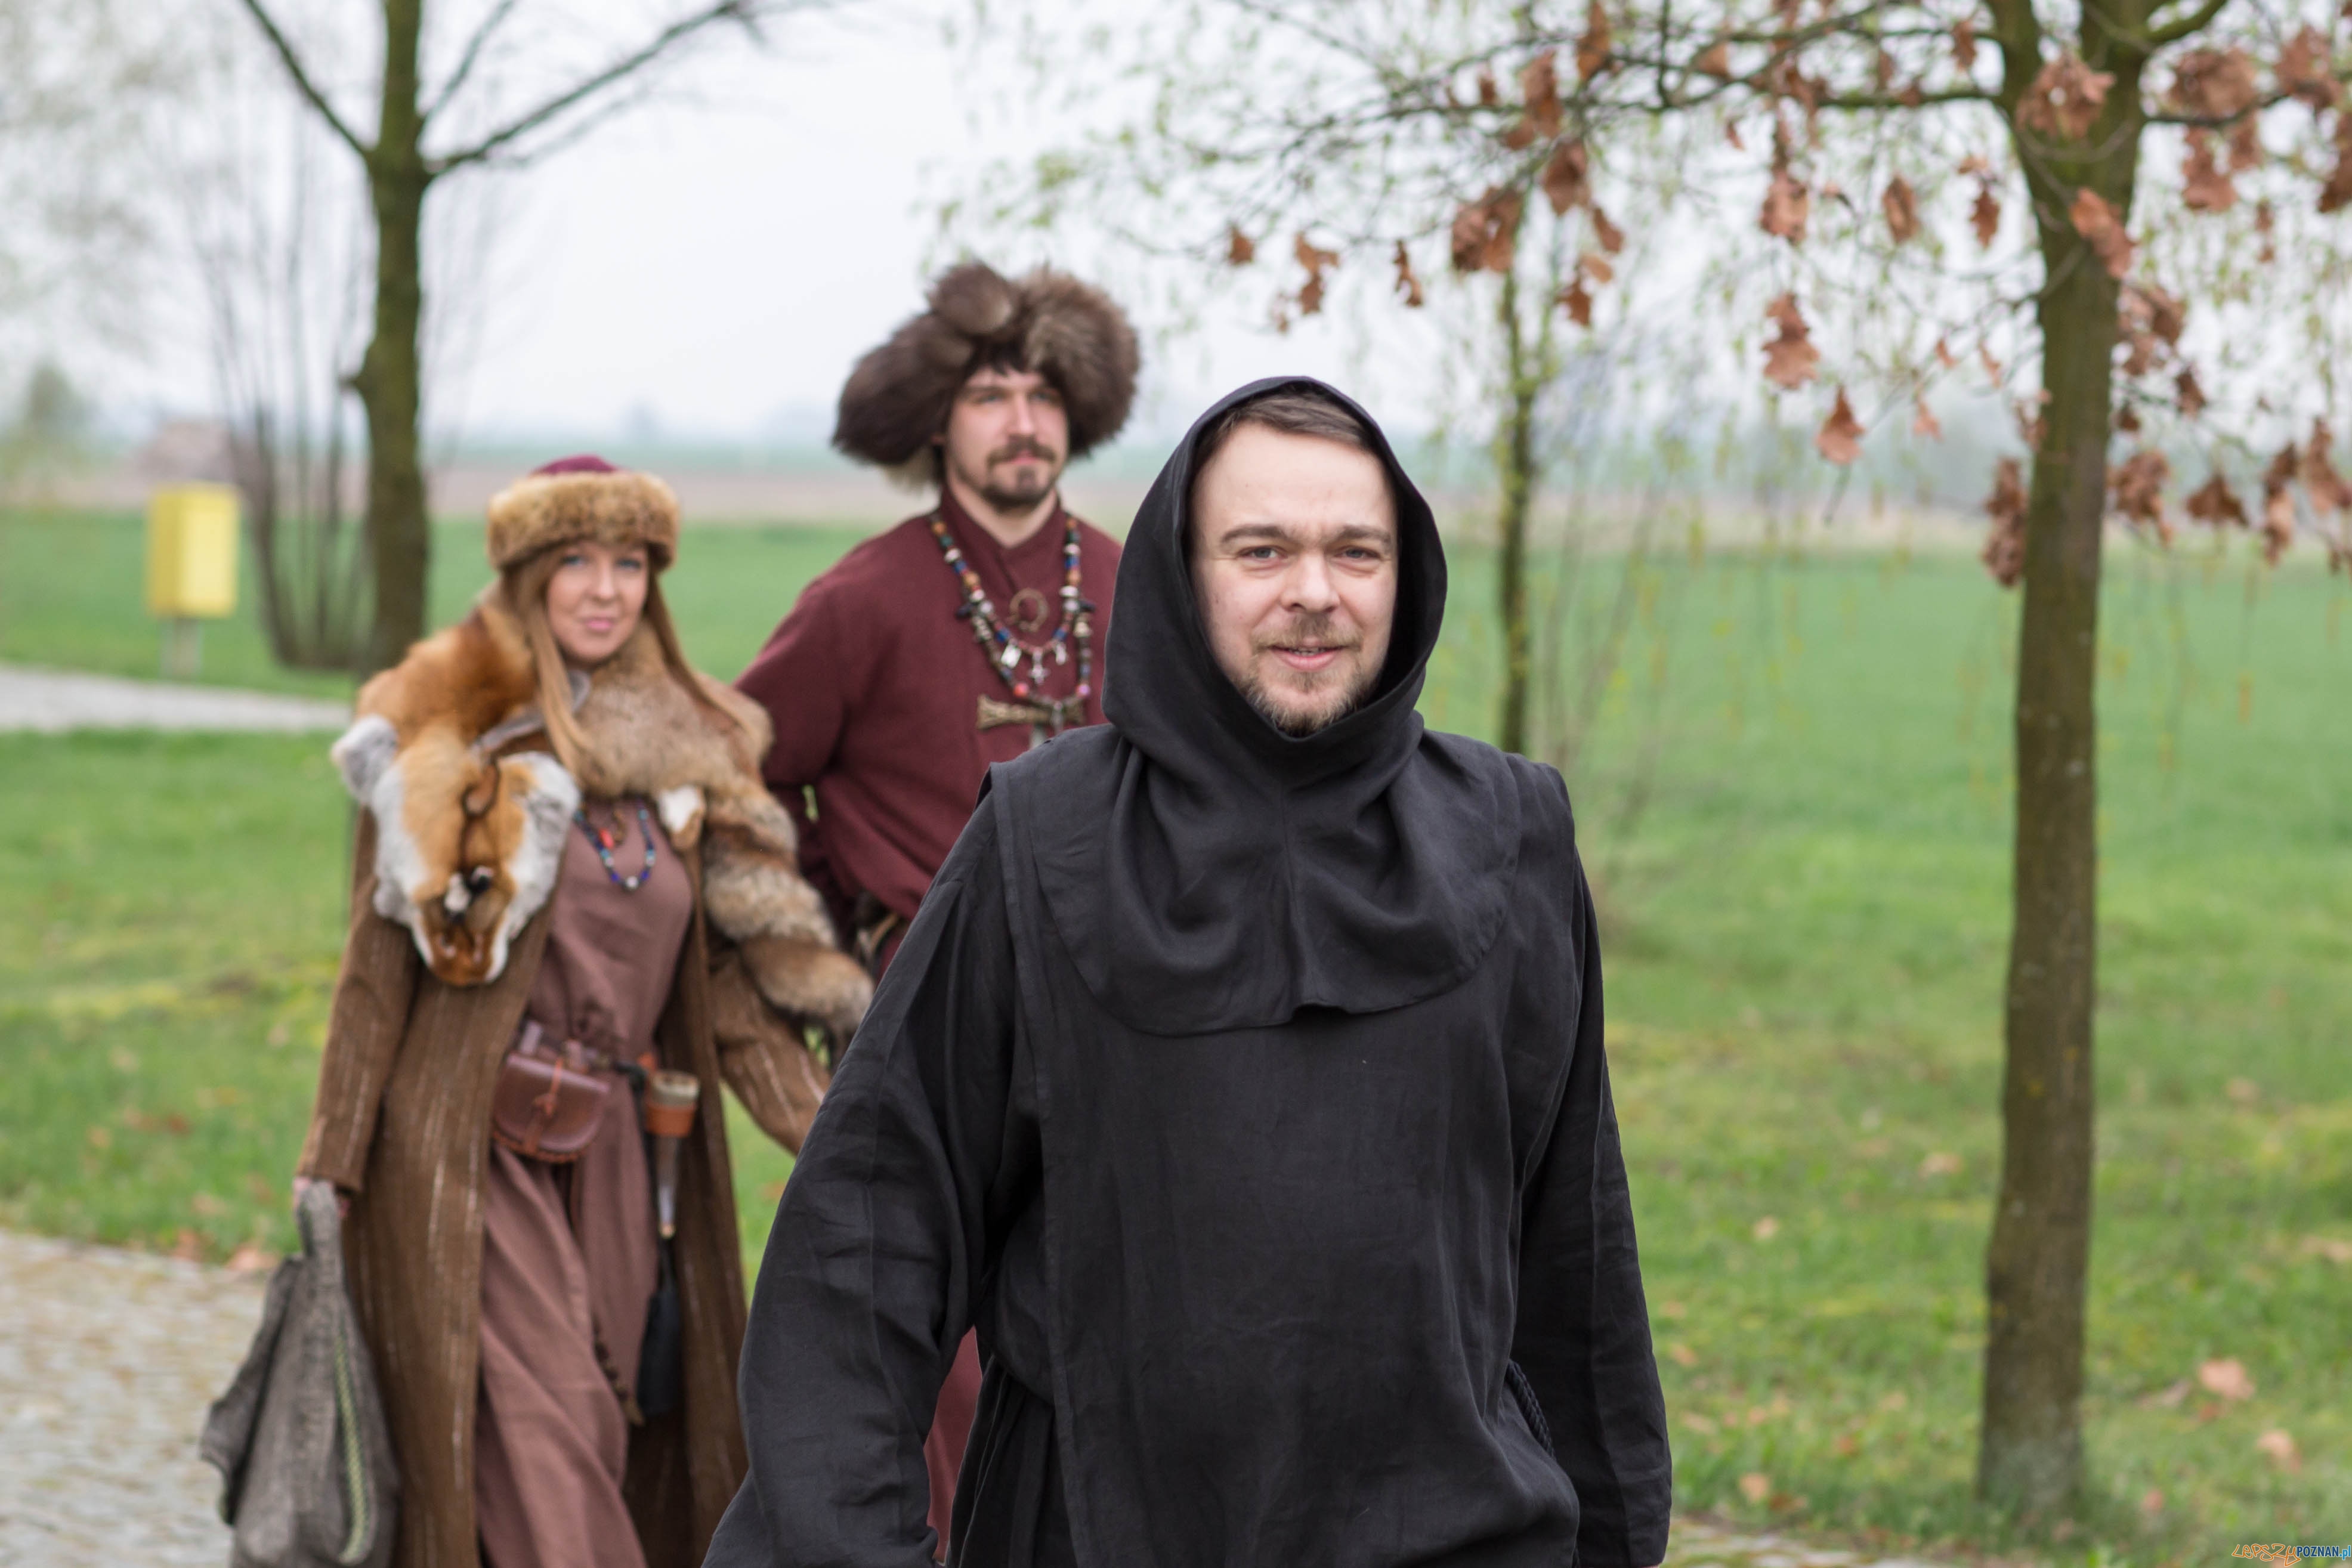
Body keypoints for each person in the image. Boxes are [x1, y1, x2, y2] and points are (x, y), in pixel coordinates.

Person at [705, 379, 1673, 1568]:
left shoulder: (1511, 838)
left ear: (1404, 574)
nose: (1312, 592)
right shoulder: (1043, 833)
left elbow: (1577, 1268)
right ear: (1182, 572)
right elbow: (870, 1239)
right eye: (1260, 549)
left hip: (1454, 1534)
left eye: (1353, 551)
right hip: (1099, 1533)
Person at [297, 455, 874, 1568]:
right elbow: (373, 973)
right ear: (527, 580)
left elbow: (724, 997)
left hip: (623, 1162)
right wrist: (334, 1160)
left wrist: (837, 1131)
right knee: (544, 1437)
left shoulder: (690, 768)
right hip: (471, 1145)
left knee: (614, 1431)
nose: (606, 589)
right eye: (577, 564)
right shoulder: (440, 746)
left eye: (630, 565)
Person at [733, 259, 1138, 1542]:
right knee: (934, 1362)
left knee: (1112, 1343)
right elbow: (741, 782)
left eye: (1042, 392)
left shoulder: (1145, 595)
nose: (1022, 419)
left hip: (1121, 1029)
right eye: (989, 393)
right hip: (925, 1035)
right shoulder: (862, 602)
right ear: (935, 422)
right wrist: (823, 935)